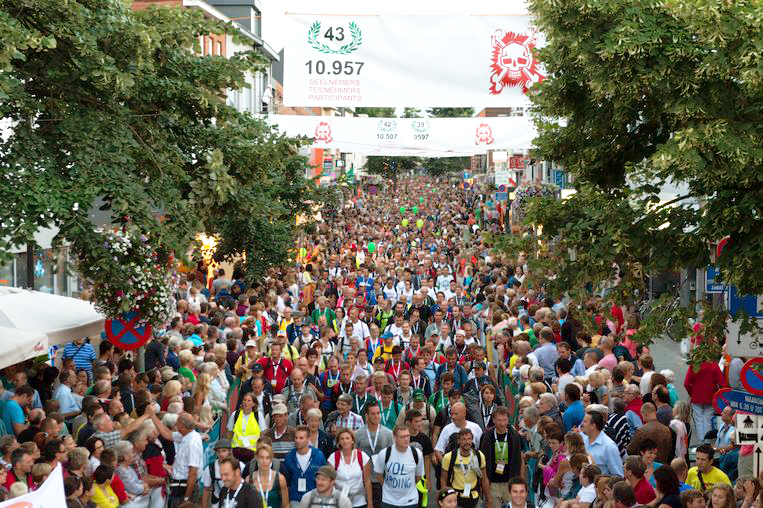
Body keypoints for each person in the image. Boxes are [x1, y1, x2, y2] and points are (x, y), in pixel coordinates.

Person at [478, 406, 522, 507]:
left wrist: (520, 480)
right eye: (499, 420)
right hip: (492, 482)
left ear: (508, 420)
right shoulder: (486, 436)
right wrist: (483, 481)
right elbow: (482, 459)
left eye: (504, 420)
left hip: (510, 481)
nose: (502, 423)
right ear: (493, 420)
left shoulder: (514, 436)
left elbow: (520, 459)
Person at [373, 425, 425, 508]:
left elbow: (419, 476)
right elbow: (379, 475)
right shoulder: (385, 453)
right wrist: (387, 488)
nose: (406, 439)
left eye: (408, 436)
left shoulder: (417, 453)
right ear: (395, 437)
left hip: (410, 501)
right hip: (388, 500)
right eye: (402, 437)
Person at [439, 428, 491, 508]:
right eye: (464, 439)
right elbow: (443, 479)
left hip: (474, 496)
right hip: (455, 497)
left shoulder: (479, 456)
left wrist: (488, 499)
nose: (467, 442)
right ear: (458, 441)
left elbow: (484, 478)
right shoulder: (449, 457)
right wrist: (445, 498)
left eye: (469, 439)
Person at [355, 404, 394, 508]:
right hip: (363, 480)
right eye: (373, 414)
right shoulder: (357, 434)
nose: (376, 416)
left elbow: (393, 457)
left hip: (381, 480)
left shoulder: (389, 434)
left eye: (378, 413)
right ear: (366, 416)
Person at [282, 425, 328, 508]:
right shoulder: (289, 457)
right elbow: (286, 481)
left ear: (308, 439)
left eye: (301, 438)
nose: (297, 440)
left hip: (314, 498)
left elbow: (325, 477)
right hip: (295, 499)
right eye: (296, 438)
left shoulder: (318, 455)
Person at [683, 358, 724, 444]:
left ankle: (701, 442)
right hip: (711, 397)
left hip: (696, 397)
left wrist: (691, 393)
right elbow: (721, 383)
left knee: (699, 420)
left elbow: (686, 383)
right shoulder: (714, 365)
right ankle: (708, 442)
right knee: (708, 420)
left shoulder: (694, 365)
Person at [330, 429, 373, 508]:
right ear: (338, 442)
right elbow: (330, 482)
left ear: (352, 441)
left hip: (359, 501)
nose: (345, 441)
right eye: (342, 439)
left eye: (347, 438)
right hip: (339, 502)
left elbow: (367, 481)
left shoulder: (362, 456)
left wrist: (370, 503)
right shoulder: (333, 458)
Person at [201, 439, 243, 508]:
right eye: (218, 452)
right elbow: (206, 490)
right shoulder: (210, 468)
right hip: (217, 504)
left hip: (236, 503)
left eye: (224, 451)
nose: (221, 454)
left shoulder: (240, 466)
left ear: (230, 451)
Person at [581, 411, 623, 476]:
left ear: (593, 426)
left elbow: (618, 475)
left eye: (585, 421)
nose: (582, 424)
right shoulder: (582, 440)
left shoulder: (609, 446)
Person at [250, 444, 289, 508]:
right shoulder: (249, 479)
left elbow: (286, 505)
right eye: (261, 457)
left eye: (267, 458)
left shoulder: (280, 479)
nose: (264, 461)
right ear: (257, 458)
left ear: (271, 459)